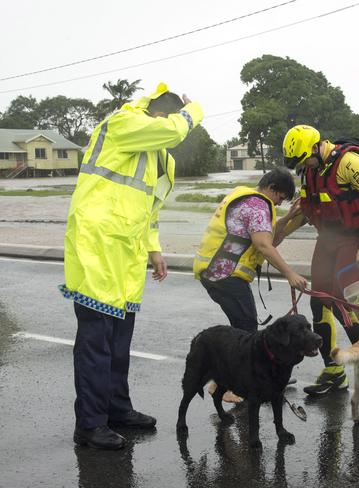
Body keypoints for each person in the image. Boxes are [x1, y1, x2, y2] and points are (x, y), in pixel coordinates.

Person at [60, 83, 203, 450]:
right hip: (96, 246)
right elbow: (172, 129)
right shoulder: (122, 122)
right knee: (96, 342)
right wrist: (193, 111)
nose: (164, 126)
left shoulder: (161, 159)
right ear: (155, 112)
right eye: (163, 118)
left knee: (119, 342)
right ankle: (89, 425)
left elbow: (149, 209)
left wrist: (154, 249)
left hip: (126, 255)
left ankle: (117, 410)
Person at [281, 125, 359, 397]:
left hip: (353, 239)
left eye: (305, 159)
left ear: (317, 148)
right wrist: (276, 236)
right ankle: (333, 370)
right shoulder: (311, 170)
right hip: (328, 239)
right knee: (318, 300)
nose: (303, 166)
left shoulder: (348, 163)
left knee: (351, 300)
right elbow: (308, 210)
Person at [193, 167, 308, 403]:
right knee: (246, 333)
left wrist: (288, 219)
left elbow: (270, 237)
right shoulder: (257, 206)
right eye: (280, 198)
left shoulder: (248, 199)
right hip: (225, 275)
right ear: (273, 188)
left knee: (242, 330)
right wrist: (290, 274)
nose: (278, 204)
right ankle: (229, 387)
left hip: (218, 274)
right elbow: (265, 246)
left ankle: (224, 383)